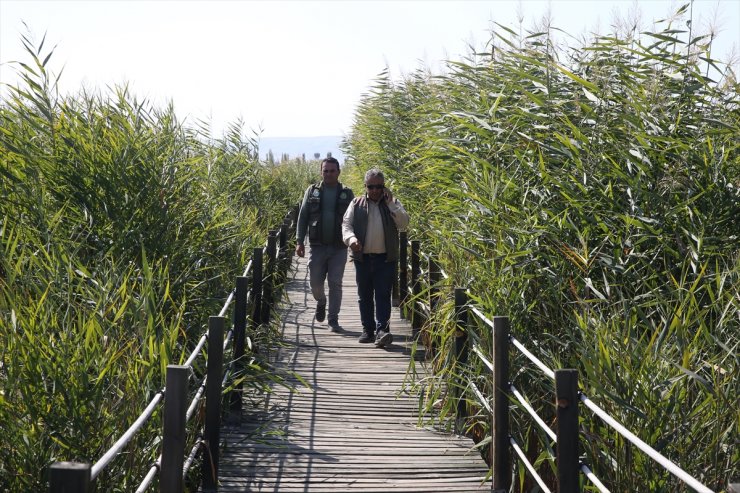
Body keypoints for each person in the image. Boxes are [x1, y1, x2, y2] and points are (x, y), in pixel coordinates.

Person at [342, 168, 409, 348]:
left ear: (384, 187)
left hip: (385, 258)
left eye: (379, 186)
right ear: (365, 186)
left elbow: (404, 224)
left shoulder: (392, 204)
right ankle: (368, 330)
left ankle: (382, 331)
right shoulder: (356, 204)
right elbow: (346, 225)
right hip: (362, 258)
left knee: (382, 294)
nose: (375, 190)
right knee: (364, 295)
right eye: (371, 186)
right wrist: (352, 240)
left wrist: (391, 204)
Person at [296, 157, 354, 331]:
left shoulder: (346, 192)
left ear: (338, 172)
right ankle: (321, 301)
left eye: (332, 170)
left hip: (339, 247)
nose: (328, 174)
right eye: (325, 170)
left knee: (335, 283)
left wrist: (354, 241)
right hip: (317, 245)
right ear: (321, 172)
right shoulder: (312, 191)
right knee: (315, 283)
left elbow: (354, 219)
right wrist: (299, 241)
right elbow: (303, 216)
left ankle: (333, 320)